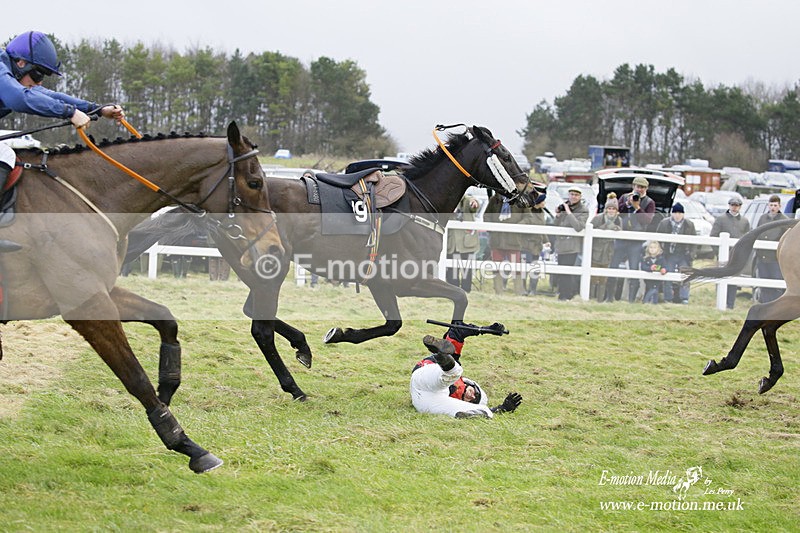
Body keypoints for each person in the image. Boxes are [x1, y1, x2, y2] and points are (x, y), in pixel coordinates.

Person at [0, 31, 125, 191]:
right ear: (21, 63)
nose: (39, 82)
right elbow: (19, 98)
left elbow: (48, 95)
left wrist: (98, 109)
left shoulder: (10, 74)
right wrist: (70, 113)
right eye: (37, 74)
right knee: (4, 155)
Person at [410, 322, 522, 419]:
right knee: (455, 371)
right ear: (469, 383)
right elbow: (457, 331)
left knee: (478, 412)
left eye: (473, 401)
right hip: (427, 375)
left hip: (426, 400)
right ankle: (441, 355)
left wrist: (502, 409)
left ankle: (442, 356)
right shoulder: (454, 365)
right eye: (476, 394)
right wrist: (484, 329)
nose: (472, 397)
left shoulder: (451, 401)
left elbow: (482, 408)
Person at [609, 176, 656, 302]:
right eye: (637, 186)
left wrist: (637, 208)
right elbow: (616, 213)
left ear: (646, 188)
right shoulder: (624, 197)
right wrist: (627, 204)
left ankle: (631, 300)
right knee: (613, 266)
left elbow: (647, 220)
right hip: (621, 237)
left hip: (636, 241)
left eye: (642, 187)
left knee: (634, 269)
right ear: (633, 186)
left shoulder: (649, 202)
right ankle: (609, 297)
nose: (639, 190)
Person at [485, 191, 533, 295]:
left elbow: (528, 217)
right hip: (497, 240)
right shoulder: (495, 199)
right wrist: (492, 228)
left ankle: (519, 291)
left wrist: (517, 227)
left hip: (514, 240)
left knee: (516, 267)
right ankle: (498, 292)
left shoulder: (521, 199)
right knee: (496, 266)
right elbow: (487, 216)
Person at [710, 196, 750, 309]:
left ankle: (730, 304)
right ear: (729, 206)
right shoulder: (720, 219)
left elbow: (747, 238)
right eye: (732, 205)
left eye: (736, 206)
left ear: (740, 207)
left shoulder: (744, 221)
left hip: (737, 256)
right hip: (723, 255)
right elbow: (713, 236)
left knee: (733, 279)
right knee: (721, 277)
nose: (734, 208)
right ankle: (720, 302)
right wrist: (718, 252)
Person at [553, 186, 589, 300]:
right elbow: (556, 225)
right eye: (572, 194)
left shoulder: (583, 210)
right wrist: (558, 215)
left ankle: (567, 295)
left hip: (572, 245)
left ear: (580, 196)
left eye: (576, 195)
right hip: (561, 244)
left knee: (568, 271)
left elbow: (578, 227)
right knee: (561, 270)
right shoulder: (564, 206)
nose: (573, 197)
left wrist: (568, 212)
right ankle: (562, 294)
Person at [656, 203, 696, 304]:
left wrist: (692, 254)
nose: (677, 215)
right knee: (667, 274)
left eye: (679, 213)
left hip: (684, 253)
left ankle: (684, 298)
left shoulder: (689, 224)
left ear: (683, 214)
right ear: (672, 213)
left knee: (686, 275)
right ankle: (668, 298)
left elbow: (695, 241)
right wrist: (660, 251)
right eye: (675, 212)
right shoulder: (664, 223)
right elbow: (657, 237)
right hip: (669, 253)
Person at [755, 195, 788, 303]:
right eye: (771, 205)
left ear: (779, 206)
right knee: (764, 283)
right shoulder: (762, 218)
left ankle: (775, 304)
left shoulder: (784, 220)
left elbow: (786, 239)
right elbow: (757, 232)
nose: (773, 207)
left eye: (775, 205)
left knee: (776, 282)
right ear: (768, 206)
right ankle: (765, 304)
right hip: (762, 257)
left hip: (775, 258)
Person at [589, 193, 622, 302]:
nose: (611, 210)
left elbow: (620, 231)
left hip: (608, 252)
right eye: (609, 208)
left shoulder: (619, 220)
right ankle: (591, 299)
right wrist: (606, 228)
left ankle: (600, 300)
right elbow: (590, 230)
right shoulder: (598, 218)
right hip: (596, 251)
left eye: (613, 208)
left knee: (603, 278)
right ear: (606, 209)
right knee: (593, 277)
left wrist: (615, 229)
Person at [446, 193, 481, 292]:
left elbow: (474, 204)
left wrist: (474, 203)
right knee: (452, 270)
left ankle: (466, 290)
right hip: (452, 243)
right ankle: (453, 290)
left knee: (466, 269)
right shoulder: (447, 200)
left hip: (467, 243)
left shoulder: (466, 201)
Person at [521, 193, 548, 295]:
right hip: (526, 245)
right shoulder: (528, 213)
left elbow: (543, 228)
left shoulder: (541, 212)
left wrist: (546, 240)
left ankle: (533, 289)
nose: (544, 203)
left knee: (535, 269)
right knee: (525, 269)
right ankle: (522, 289)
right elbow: (521, 225)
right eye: (543, 201)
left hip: (537, 246)